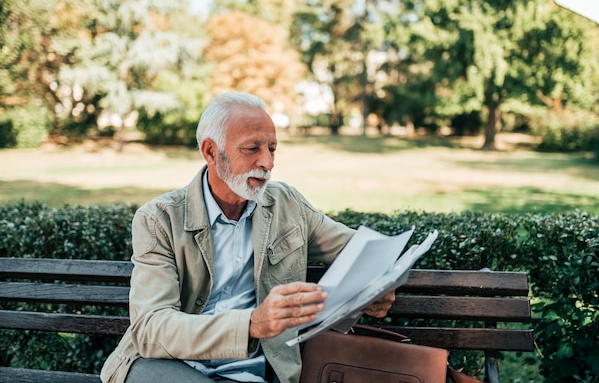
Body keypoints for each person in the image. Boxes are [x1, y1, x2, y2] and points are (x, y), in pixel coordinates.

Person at [100, 92, 395, 383]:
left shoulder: (288, 205)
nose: (267, 162)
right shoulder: (160, 219)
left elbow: (363, 250)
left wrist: (379, 283)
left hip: (252, 374)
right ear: (211, 152)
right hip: (169, 367)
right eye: (252, 148)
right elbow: (152, 328)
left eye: (272, 148)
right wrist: (251, 325)